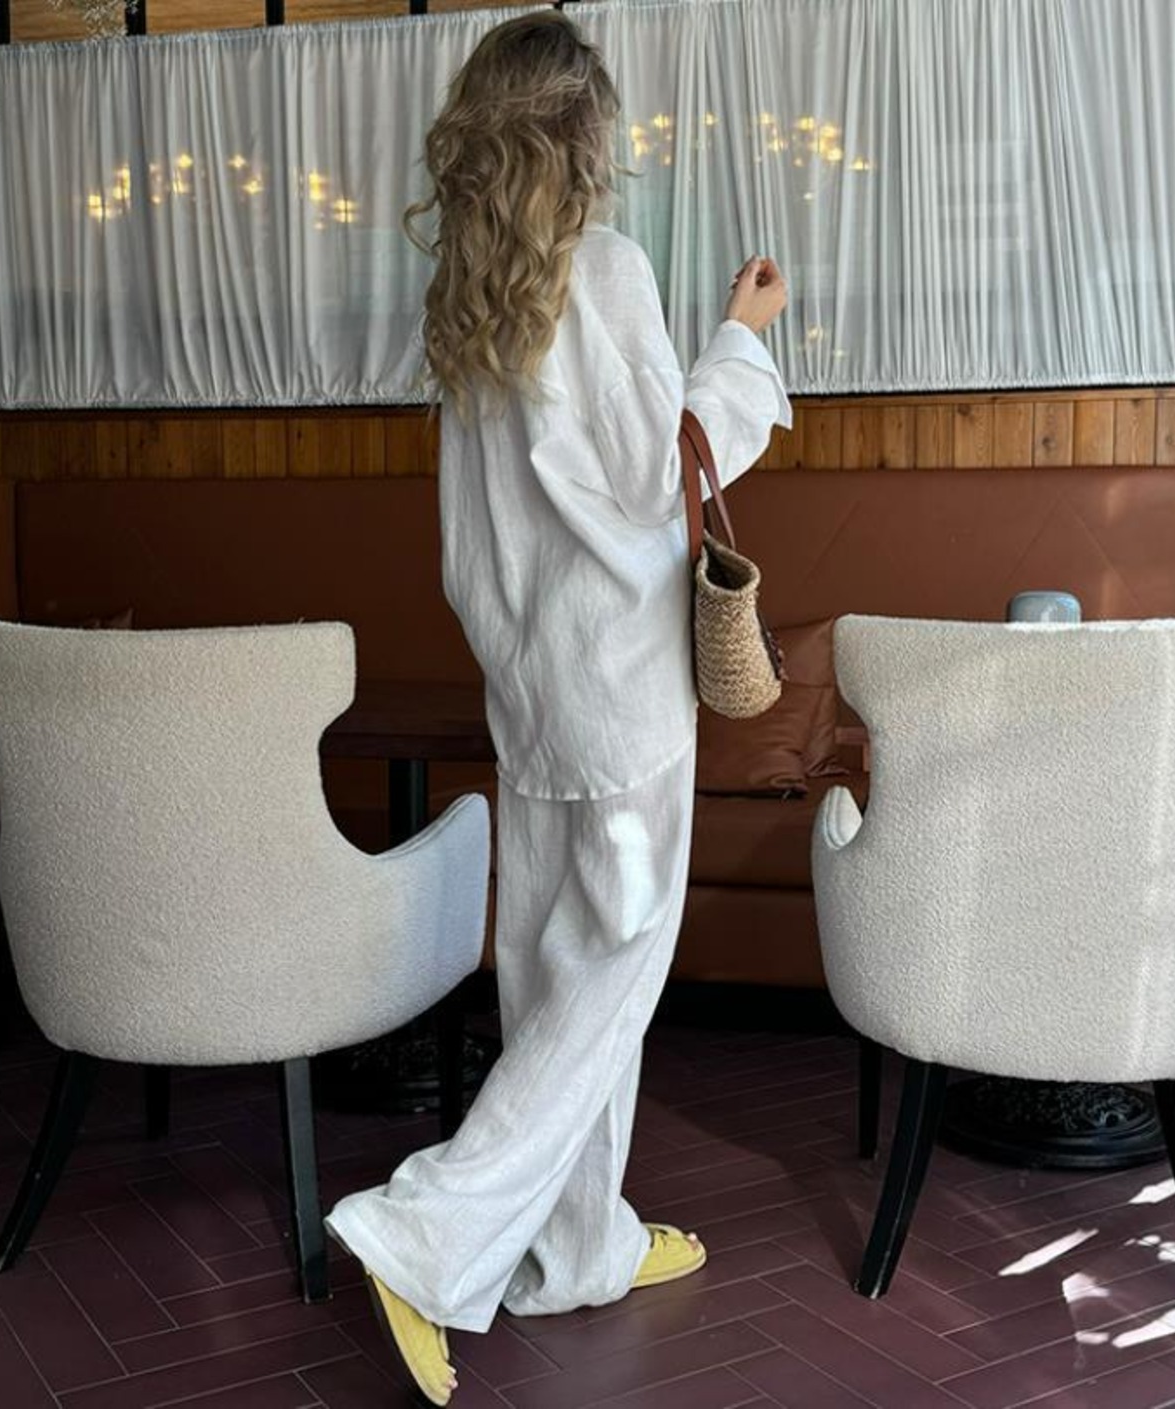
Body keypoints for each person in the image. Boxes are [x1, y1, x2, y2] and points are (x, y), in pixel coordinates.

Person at [324, 12, 791, 1404]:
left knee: (549, 967)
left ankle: (577, 1247)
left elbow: (473, 544)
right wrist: (741, 339)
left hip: (530, 689)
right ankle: (423, 1236)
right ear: (584, 134)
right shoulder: (607, 268)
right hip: (625, 693)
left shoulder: (471, 296)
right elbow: (661, 471)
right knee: (607, 980)